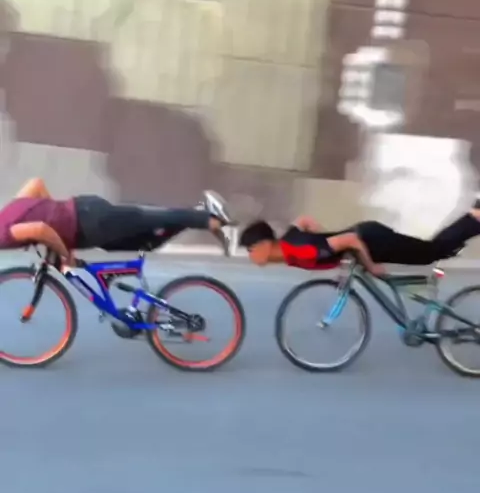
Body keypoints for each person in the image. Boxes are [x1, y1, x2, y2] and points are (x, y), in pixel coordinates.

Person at [0, 178, 226, 266]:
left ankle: (208, 218)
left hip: (93, 223)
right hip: (86, 211)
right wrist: (58, 219)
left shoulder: (2, 234)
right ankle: (193, 216)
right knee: (147, 241)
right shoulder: (7, 212)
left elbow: (39, 229)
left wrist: (63, 252)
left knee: (148, 220)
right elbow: (36, 185)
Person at [238, 209, 480, 276]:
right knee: (429, 251)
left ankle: (474, 218)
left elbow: (350, 239)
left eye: (250, 250)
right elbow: (304, 220)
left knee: (430, 252)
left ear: (265, 245)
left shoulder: (299, 250)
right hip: (365, 235)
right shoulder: (288, 241)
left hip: (374, 241)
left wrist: (371, 266)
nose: (250, 256)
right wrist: (325, 238)